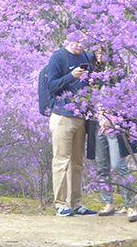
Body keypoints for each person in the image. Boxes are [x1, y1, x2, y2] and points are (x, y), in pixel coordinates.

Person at [42, 37, 98, 217]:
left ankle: (76, 203)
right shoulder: (58, 57)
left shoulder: (89, 57)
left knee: (77, 162)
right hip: (62, 116)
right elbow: (50, 85)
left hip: (82, 117)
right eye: (77, 41)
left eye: (84, 41)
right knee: (61, 161)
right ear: (67, 39)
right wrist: (71, 76)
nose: (81, 44)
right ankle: (60, 204)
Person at [89, 45, 137, 222]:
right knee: (102, 165)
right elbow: (89, 100)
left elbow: (126, 101)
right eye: (96, 53)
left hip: (115, 127)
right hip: (98, 126)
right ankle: (108, 203)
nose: (99, 56)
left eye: (102, 52)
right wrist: (99, 117)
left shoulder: (120, 74)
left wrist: (111, 118)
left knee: (118, 166)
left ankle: (130, 205)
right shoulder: (93, 74)